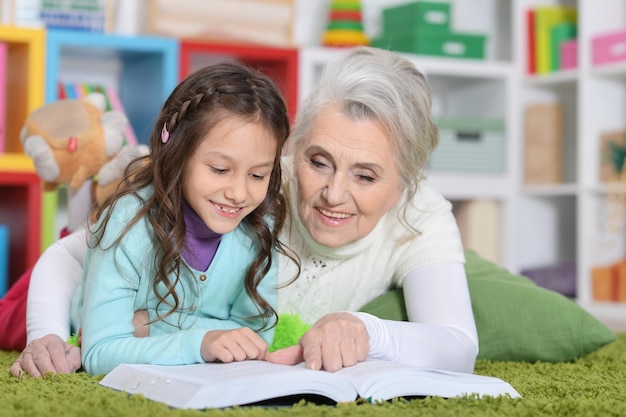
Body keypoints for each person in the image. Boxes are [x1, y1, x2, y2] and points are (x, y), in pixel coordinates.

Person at [9, 46, 478, 378]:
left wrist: (368, 332)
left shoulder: (257, 214)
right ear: (292, 151)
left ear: (405, 183)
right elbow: (73, 256)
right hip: (79, 287)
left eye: (367, 176)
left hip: (165, 312)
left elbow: (457, 341)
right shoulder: (254, 181)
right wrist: (45, 332)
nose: (334, 194)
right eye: (318, 161)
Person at [11, 61, 295, 376]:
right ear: (177, 149)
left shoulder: (260, 227)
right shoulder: (127, 221)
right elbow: (99, 350)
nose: (239, 193)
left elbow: (254, 339)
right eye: (219, 169)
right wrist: (202, 340)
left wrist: (151, 323)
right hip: (59, 288)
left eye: (258, 174)